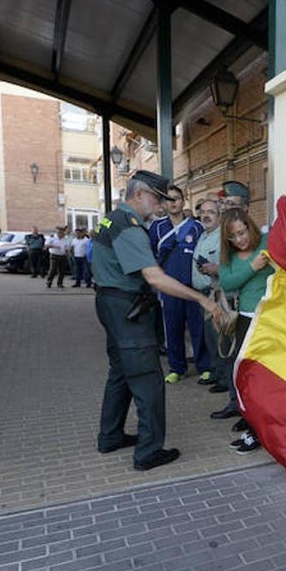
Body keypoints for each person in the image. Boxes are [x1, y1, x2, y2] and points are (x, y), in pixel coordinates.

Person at [91, 169, 221, 472]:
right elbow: (155, 278)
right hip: (128, 309)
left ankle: (109, 436)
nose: (162, 205)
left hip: (109, 303)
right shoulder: (131, 227)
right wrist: (201, 298)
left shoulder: (111, 218)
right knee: (148, 380)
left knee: (121, 373)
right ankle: (148, 452)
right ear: (139, 195)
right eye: (158, 198)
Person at [217, 208, 275, 450]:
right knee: (246, 375)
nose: (240, 239)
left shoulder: (267, 240)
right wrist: (254, 266)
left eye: (242, 232)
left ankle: (258, 429)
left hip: (271, 320)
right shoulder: (229, 257)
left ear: (250, 227)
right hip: (245, 320)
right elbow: (227, 283)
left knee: (264, 378)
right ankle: (250, 420)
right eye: (233, 236)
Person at [150, 186, 211, 385]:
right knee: (172, 329)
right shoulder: (157, 228)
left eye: (177, 199)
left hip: (193, 288)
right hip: (169, 289)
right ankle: (177, 368)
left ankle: (205, 367)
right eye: (169, 199)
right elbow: (151, 256)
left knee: (198, 329)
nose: (173, 202)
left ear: (184, 201)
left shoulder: (196, 227)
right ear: (163, 204)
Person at [191, 197, 228, 391]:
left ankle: (223, 379)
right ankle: (215, 372)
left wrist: (215, 268)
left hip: (216, 294)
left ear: (220, 216)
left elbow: (229, 265)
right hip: (203, 295)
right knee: (209, 337)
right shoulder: (204, 235)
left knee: (218, 337)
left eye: (211, 212)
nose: (206, 215)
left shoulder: (222, 236)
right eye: (203, 212)